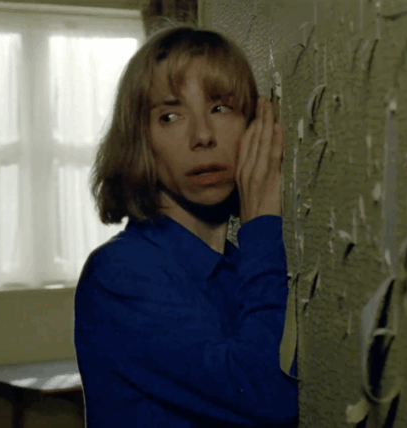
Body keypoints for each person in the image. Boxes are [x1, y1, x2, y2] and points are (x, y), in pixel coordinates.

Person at [74, 21, 297, 427]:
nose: (202, 135)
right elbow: (266, 395)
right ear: (141, 141)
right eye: (171, 116)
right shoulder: (119, 272)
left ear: (252, 129)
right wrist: (262, 222)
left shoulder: (242, 267)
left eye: (219, 108)